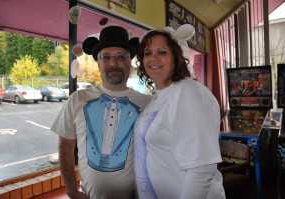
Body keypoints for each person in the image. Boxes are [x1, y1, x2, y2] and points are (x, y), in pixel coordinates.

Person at [51, 26, 152, 199]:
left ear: (130, 62)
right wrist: (71, 191)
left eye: (121, 57)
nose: (113, 64)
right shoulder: (78, 99)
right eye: (106, 57)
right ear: (98, 63)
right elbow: (65, 148)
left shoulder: (148, 103)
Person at [133, 26, 226, 199]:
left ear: (177, 56)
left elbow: (202, 169)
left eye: (161, 52)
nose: (153, 58)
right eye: (147, 53)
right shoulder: (159, 96)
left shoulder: (188, 92)